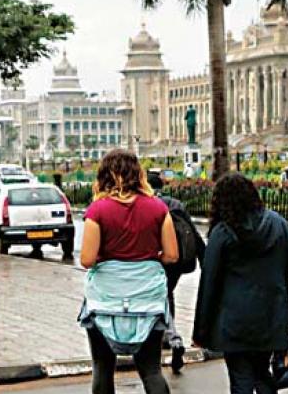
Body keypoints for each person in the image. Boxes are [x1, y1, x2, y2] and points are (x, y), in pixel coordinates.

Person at [193, 173, 288, 394]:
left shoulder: (223, 232)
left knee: (241, 379)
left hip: (234, 323)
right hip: (272, 317)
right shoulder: (277, 223)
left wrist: (201, 332)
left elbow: (209, 284)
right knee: (263, 375)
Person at [78, 149, 179, 394]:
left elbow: (87, 259)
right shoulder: (157, 208)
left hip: (106, 299)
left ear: (105, 175)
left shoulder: (98, 211)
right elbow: (172, 255)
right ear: (138, 174)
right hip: (147, 300)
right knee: (151, 370)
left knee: (102, 367)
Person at [147, 172, 206, 373]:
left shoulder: (147, 205)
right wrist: (203, 257)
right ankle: (170, 337)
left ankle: (167, 336)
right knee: (166, 293)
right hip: (178, 261)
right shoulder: (175, 204)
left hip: (156, 259)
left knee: (158, 296)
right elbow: (192, 231)